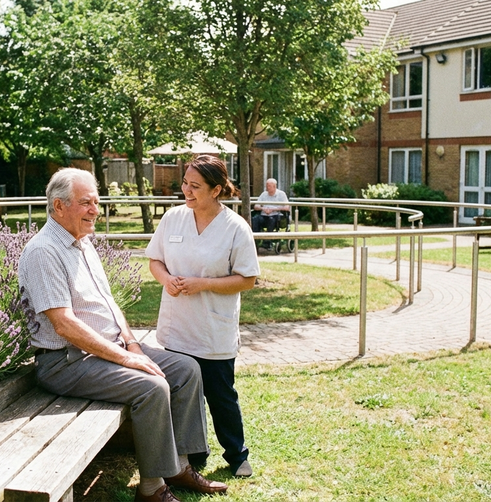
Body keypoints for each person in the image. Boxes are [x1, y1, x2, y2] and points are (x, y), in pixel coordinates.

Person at [18, 168, 227, 502]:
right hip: (66, 363)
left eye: (96, 202)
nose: (95, 210)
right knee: (152, 387)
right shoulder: (44, 251)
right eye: (86, 203)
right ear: (58, 206)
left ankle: (179, 467)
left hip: (107, 350)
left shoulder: (83, 243)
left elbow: (109, 304)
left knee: (186, 370)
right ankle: (152, 489)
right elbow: (64, 325)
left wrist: (131, 344)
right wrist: (126, 359)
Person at [145, 154, 260, 478]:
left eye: (195, 186)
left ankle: (237, 456)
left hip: (213, 331)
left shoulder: (235, 228)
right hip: (177, 328)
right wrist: (166, 279)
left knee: (221, 396)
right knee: (183, 397)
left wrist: (203, 284)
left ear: (217, 190)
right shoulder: (173, 218)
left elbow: (248, 279)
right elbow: (155, 260)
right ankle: (193, 453)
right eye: (185, 183)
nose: (186, 190)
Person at [251, 178, 289, 249]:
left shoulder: (281, 194)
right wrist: (263, 209)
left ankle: (267, 242)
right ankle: (255, 240)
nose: (267, 187)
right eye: (267, 186)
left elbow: (287, 207)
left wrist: (273, 209)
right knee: (255, 219)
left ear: (274, 186)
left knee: (271, 220)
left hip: (276, 215)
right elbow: (256, 206)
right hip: (264, 215)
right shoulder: (263, 194)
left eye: (269, 186)